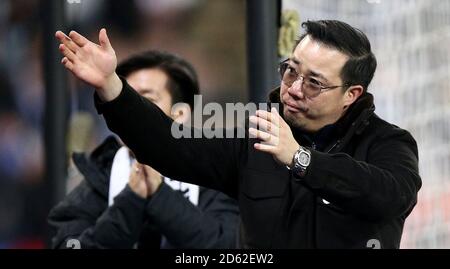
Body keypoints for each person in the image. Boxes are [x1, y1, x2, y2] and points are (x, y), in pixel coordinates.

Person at [54, 20, 422, 249]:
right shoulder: (253, 139)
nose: (293, 87)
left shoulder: (389, 144)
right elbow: (168, 144)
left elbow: (389, 195)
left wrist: (301, 159)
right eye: (291, 71)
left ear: (351, 95)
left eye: (313, 83)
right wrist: (112, 88)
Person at [48, 50, 239, 249]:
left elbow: (229, 247)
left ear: (180, 114)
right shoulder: (99, 175)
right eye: (125, 101)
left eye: (146, 101)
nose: (133, 113)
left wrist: (159, 195)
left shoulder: (213, 172)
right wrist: (131, 201)